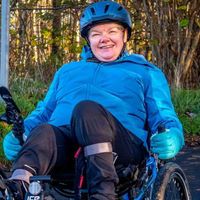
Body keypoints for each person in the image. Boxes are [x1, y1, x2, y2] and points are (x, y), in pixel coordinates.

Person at [1, 1, 184, 200]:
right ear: (88, 40)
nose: (104, 39)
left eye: (112, 31)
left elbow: (163, 114)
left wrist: (173, 134)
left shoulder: (145, 72)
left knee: (87, 111)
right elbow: (44, 112)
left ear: (124, 35)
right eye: (96, 34)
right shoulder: (67, 71)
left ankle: (103, 194)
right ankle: (15, 186)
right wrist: (24, 131)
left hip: (120, 146)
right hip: (66, 145)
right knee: (45, 130)